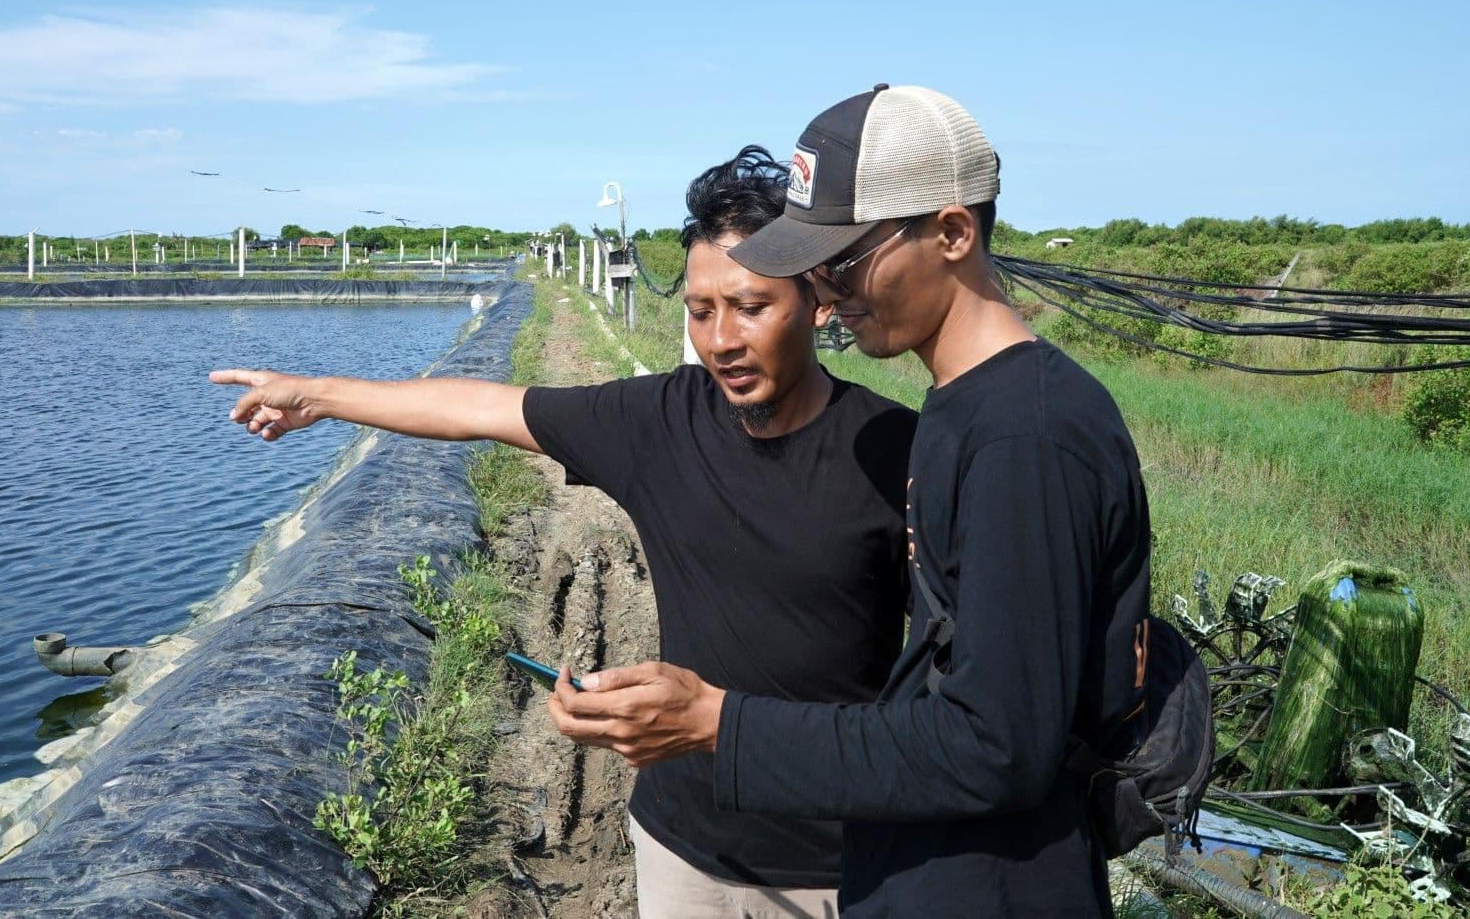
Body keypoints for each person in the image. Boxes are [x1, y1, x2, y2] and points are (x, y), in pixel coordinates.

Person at [213, 145, 918, 918]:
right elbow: (480, 409)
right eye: (700, 310)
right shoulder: (658, 423)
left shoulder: (899, 451)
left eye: (752, 306)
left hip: (846, 864)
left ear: (818, 300)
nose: (721, 340)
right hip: (682, 851)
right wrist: (317, 396)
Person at [546, 85, 1154, 917]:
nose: (828, 286)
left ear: (951, 232)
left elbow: (995, 744)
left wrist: (722, 723)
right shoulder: (961, 408)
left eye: (846, 256)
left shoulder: (1025, 439)